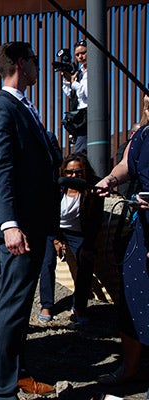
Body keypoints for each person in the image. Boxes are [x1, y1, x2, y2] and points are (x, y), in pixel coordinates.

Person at [0, 41, 60, 400]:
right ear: (23, 64)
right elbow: (1, 170)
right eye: (36, 63)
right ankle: (1, 391)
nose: (38, 69)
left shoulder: (24, 107)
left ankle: (16, 373)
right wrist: (10, 223)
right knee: (10, 310)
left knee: (18, 307)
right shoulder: (2, 109)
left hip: (32, 224)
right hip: (18, 228)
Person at [95, 112, 149, 387]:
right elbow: (127, 164)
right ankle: (131, 368)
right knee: (133, 295)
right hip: (143, 230)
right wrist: (110, 180)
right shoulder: (142, 134)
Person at [53, 153, 103, 324]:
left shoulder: (91, 188)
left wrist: (89, 245)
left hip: (79, 233)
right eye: (69, 172)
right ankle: (46, 305)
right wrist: (56, 239)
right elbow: (49, 215)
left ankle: (80, 307)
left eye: (78, 172)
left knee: (85, 261)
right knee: (46, 262)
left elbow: (95, 221)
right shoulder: (58, 188)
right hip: (57, 231)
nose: (73, 176)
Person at [61, 40, 88, 153]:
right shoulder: (80, 72)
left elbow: (87, 93)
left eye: (83, 53)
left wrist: (75, 84)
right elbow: (72, 95)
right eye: (77, 55)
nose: (80, 57)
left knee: (80, 153)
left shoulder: (94, 71)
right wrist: (68, 81)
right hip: (81, 115)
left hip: (89, 115)